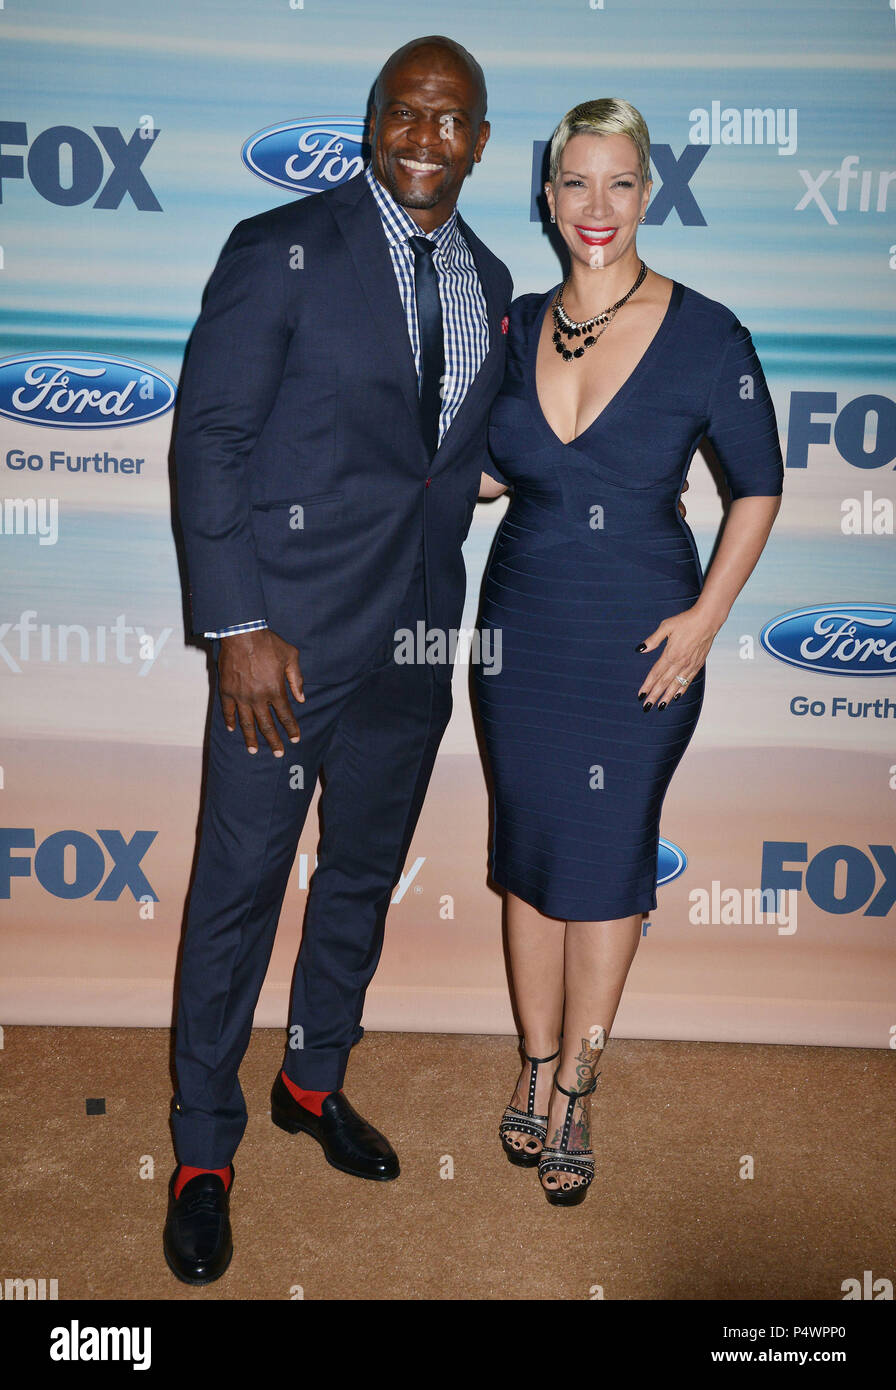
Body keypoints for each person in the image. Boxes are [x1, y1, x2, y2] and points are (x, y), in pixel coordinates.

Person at [166, 35, 512, 1283]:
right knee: (238, 891)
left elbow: (446, 457)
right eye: (403, 112)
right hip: (286, 647)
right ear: (373, 123)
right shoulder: (281, 247)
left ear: (479, 142)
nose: (423, 137)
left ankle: (311, 1079)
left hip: (414, 637)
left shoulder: (488, 278)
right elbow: (209, 440)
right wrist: (236, 627)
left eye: (448, 119)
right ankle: (202, 1151)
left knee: (359, 873)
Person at [473, 99, 783, 1206]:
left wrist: (703, 620)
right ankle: (532, 1057)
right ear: (547, 196)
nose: (595, 206)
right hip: (520, 631)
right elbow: (488, 473)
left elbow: (758, 487)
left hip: (642, 638)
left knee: (607, 868)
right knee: (526, 854)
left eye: (618, 182)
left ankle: (577, 1086)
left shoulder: (707, 333)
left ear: (648, 192)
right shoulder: (513, 324)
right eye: (575, 182)